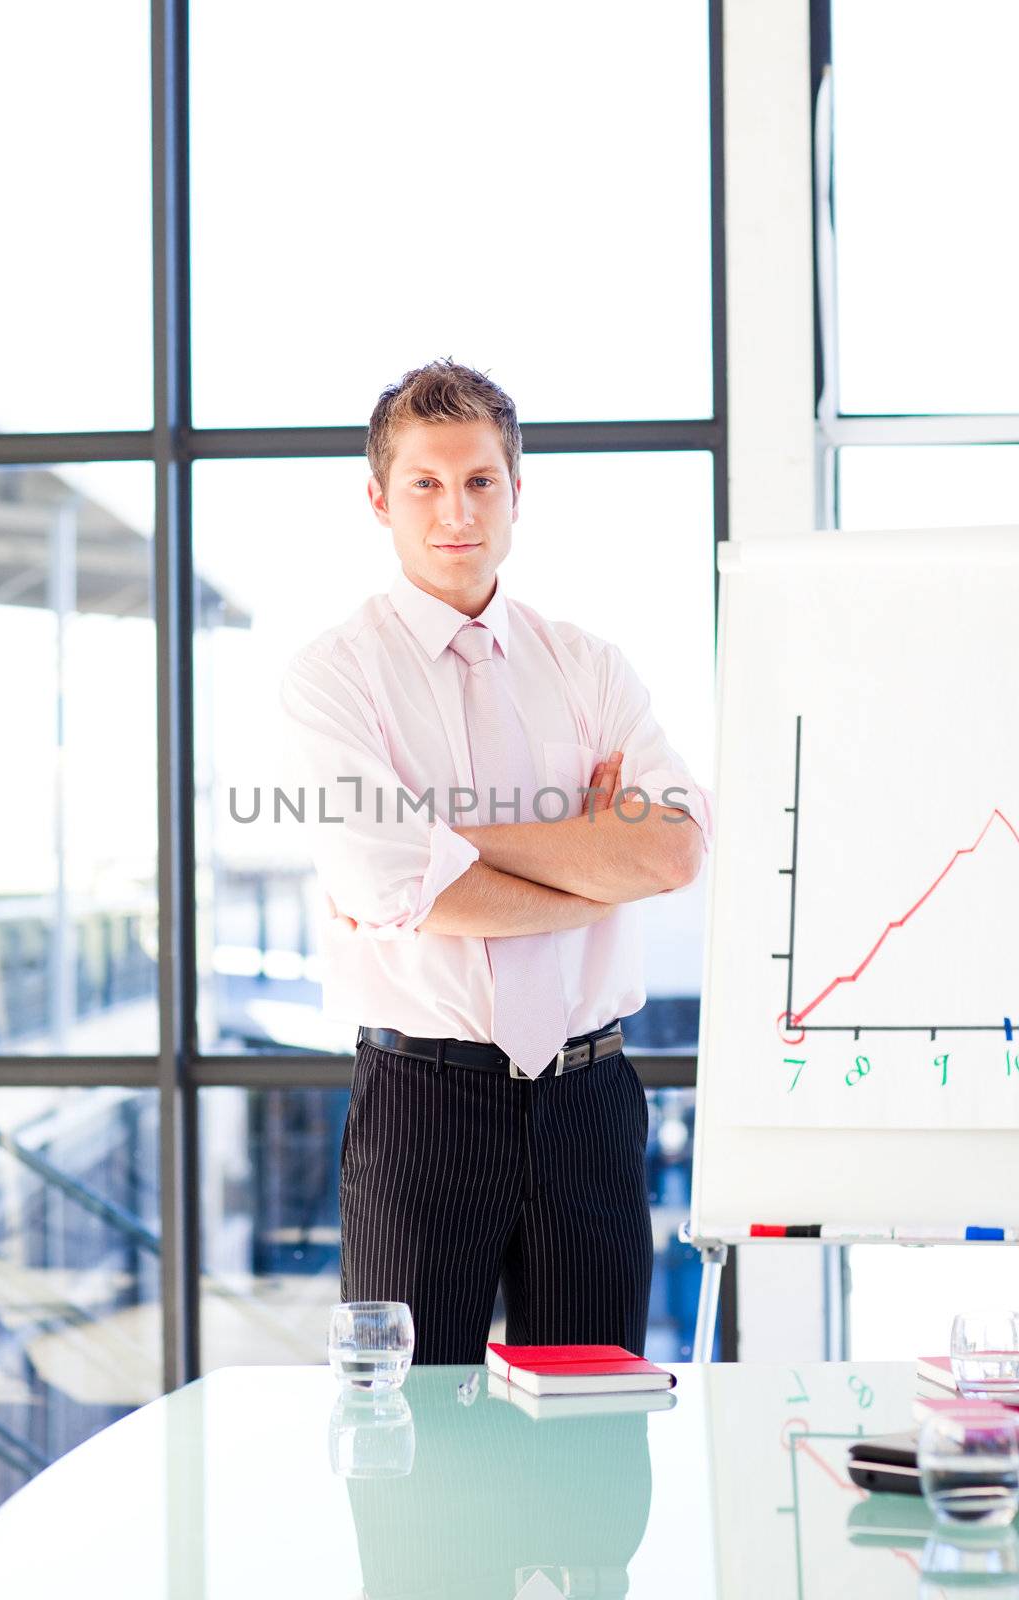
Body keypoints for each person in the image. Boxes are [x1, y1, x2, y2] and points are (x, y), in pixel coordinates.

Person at [278, 358, 713, 1364]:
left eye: (480, 480)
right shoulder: (332, 675)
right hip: (424, 1106)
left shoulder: (588, 664)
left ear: (517, 493)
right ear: (379, 499)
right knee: (408, 1434)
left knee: (591, 1435)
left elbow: (674, 847)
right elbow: (383, 877)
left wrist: (442, 844)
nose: (455, 509)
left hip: (586, 1099)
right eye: (425, 483)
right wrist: (591, 858)